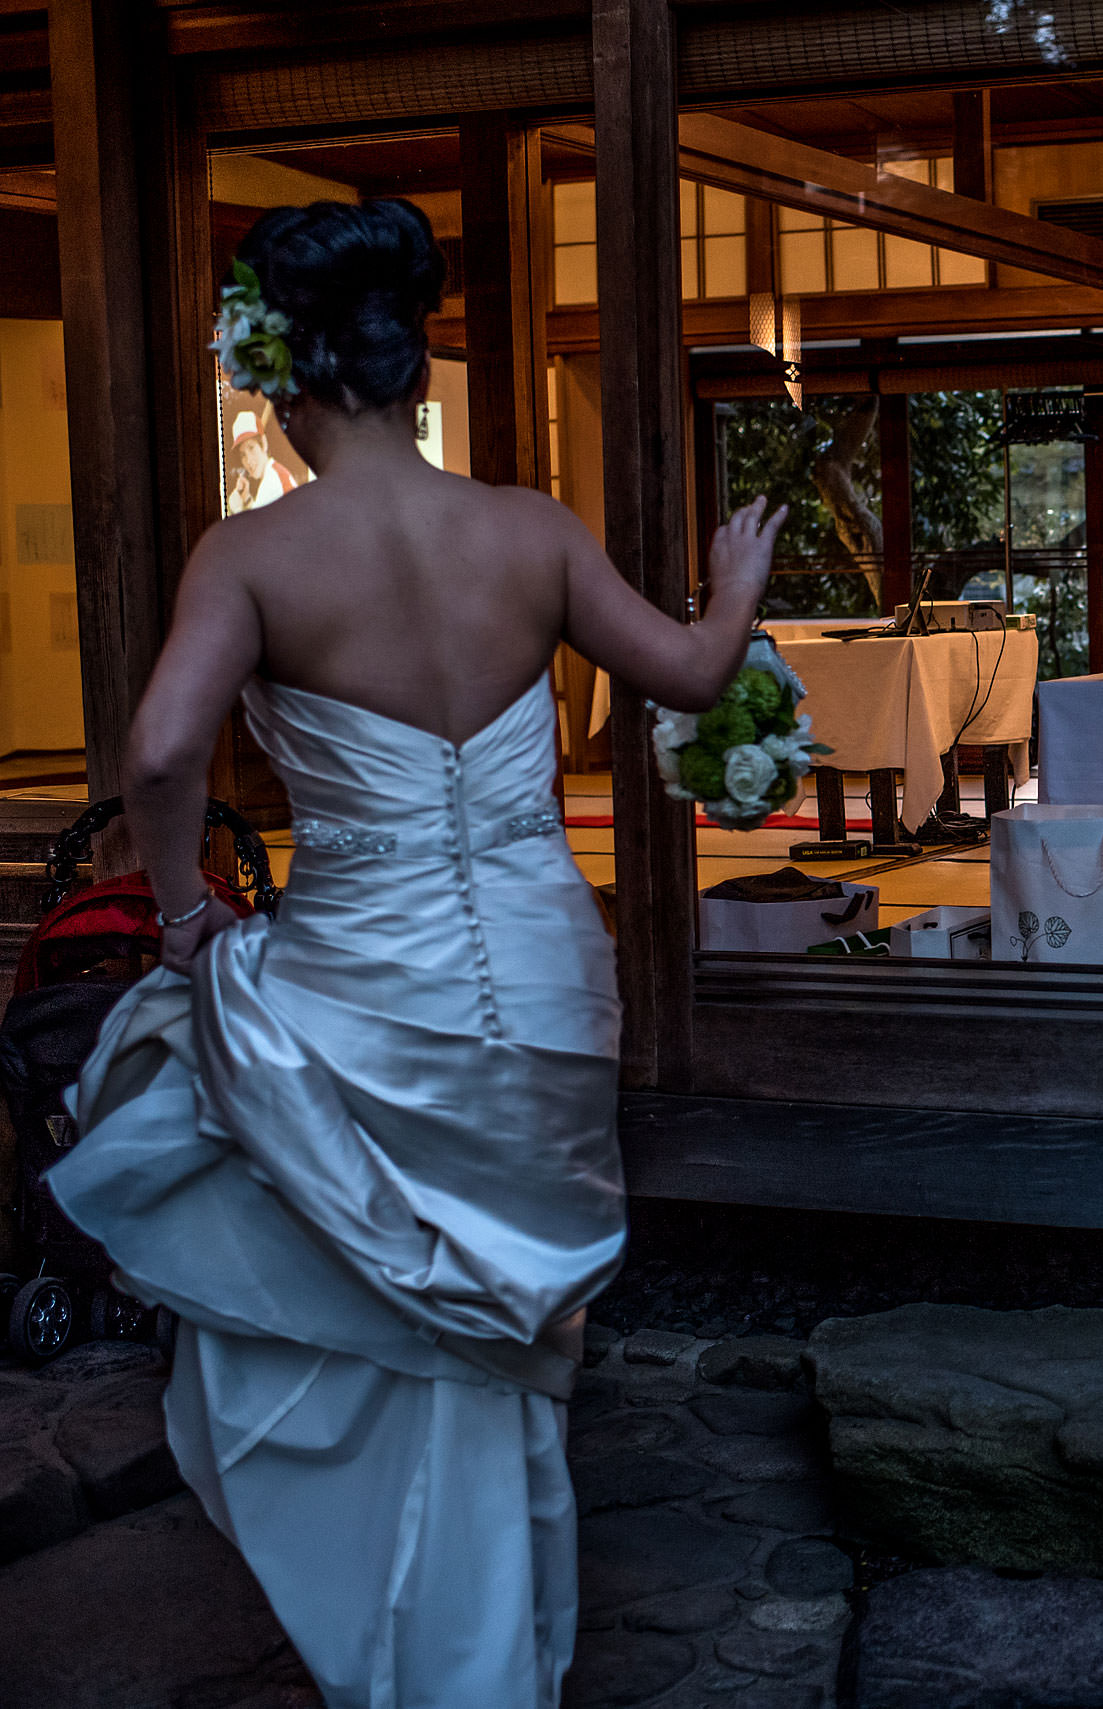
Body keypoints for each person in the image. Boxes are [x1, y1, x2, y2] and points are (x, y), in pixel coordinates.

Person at [45, 200, 786, 1707]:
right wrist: (733, 585)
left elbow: (164, 745)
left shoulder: (253, 555)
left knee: (357, 1278)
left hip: (366, 980)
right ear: (420, 365)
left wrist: (185, 912)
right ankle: (493, 1642)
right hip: (543, 969)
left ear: (281, 378)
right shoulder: (529, 528)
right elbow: (697, 672)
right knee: (503, 1312)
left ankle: (426, 1645)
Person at [228, 408, 298, 512]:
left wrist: (236, 508)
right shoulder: (272, 473)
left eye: (251, 448)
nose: (248, 460)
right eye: (243, 455)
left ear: (264, 444)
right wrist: (246, 499)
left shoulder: (272, 480)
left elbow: (253, 527)